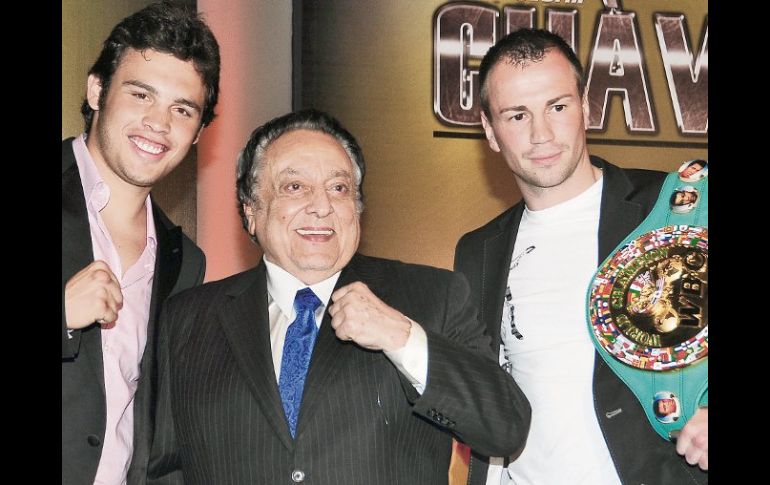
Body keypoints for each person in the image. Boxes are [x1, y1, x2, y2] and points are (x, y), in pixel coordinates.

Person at [146, 109, 531, 484]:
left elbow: (504, 427)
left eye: (339, 188)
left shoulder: (432, 296)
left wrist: (404, 338)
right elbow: (165, 469)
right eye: (295, 187)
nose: (321, 206)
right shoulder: (187, 321)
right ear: (251, 211)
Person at [453, 29, 708, 484]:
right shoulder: (479, 250)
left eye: (557, 106)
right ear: (490, 131)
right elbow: (483, 396)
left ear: (585, 107)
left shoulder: (672, 207)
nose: (541, 134)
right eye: (516, 115)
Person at [62, 2, 220, 484]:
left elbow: (155, 429)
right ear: (97, 90)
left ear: (196, 134)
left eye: (182, 109)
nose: (159, 122)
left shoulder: (184, 260)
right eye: (141, 94)